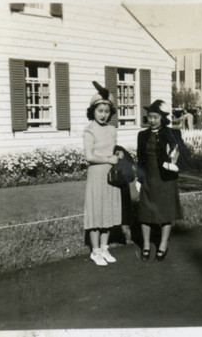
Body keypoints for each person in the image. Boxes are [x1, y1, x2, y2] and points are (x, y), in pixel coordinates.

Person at [136, 99, 185, 262]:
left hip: (166, 178)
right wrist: (139, 177)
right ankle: (146, 246)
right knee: (145, 212)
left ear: (162, 118)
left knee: (165, 211)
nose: (152, 120)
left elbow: (181, 154)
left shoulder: (172, 133)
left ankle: (163, 245)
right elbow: (140, 158)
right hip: (148, 178)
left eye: (155, 117)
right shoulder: (142, 135)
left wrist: (174, 163)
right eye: (149, 117)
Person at [83, 81, 122, 266]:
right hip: (96, 176)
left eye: (107, 111)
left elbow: (111, 151)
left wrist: (118, 154)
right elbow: (89, 156)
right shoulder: (89, 130)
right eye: (100, 111)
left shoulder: (112, 129)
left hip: (111, 176)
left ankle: (105, 248)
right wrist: (108, 159)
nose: (103, 115)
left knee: (108, 210)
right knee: (96, 211)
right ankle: (95, 251)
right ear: (93, 111)